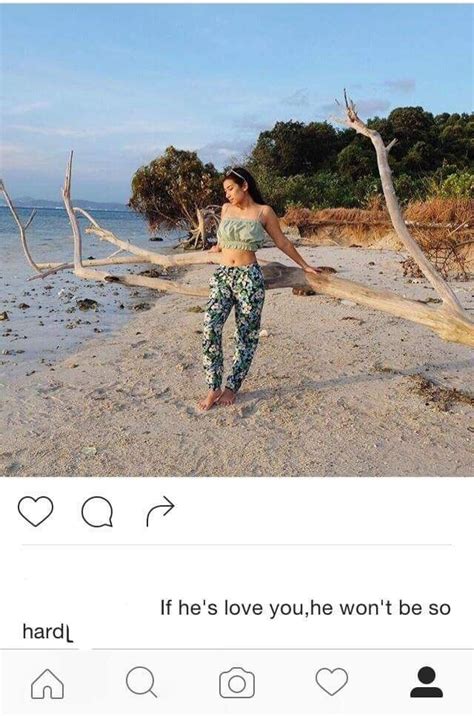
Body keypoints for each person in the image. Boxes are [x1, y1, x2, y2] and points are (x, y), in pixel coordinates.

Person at [197, 167, 322, 411]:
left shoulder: (264, 212)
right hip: (223, 276)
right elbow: (224, 240)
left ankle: (232, 386)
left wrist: (305, 266)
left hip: (249, 279)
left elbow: (282, 242)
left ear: (245, 186)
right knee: (210, 328)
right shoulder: (226, 209)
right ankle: (213, 386)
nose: (227, 195)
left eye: (230, 189)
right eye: (225, 191)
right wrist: (216, 249)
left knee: (246, 334)